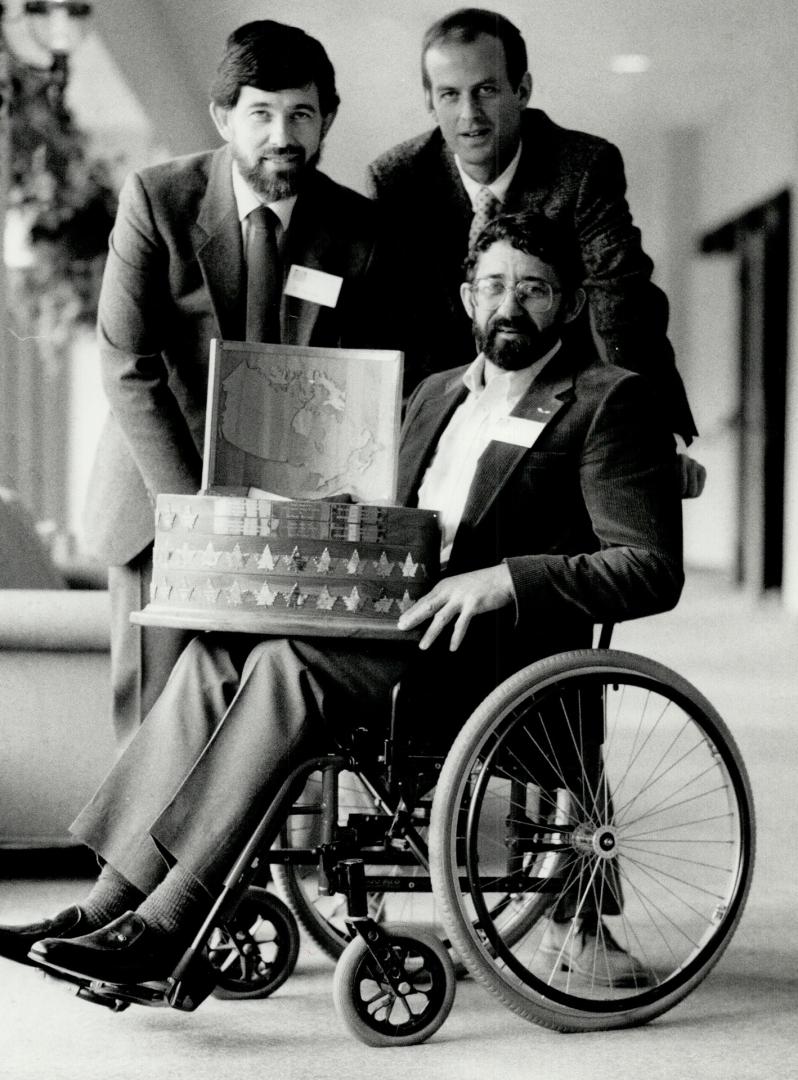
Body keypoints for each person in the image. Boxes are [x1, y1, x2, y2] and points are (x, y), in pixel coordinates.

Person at [0, 212, 683, 987]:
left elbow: (650, 566)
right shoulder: (434, 394)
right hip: (386, 631)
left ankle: (171, 920)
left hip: (491, 665)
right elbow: (385, 515)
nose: (510, 305)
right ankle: (108, 902)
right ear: (467, 297)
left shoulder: (608, 402)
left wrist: (506, 579)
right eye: (494, 285)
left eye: (533, 289)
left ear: (566, 304)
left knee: (288, 666)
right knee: (216, 654)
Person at [85, 20, 385, 749]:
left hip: (290, 520)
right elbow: (128, 362)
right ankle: (140, 866)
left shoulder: (356, 229)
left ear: (326, 122)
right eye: (261, 113)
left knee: (264, 729)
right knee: (156, 729)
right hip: (162, 508)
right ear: (224, 118)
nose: (282, 135)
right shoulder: (159, 200)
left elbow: (362, 379)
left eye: (302, 114)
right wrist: (197, 514)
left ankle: (241, 867)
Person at [368, 6, 705, 498]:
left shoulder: (584, 165)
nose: (470, 116)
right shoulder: (397, 181)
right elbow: (392, 325)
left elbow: (623, 300)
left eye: (486, 90)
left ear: (522, 90)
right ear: (429, 101)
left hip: (561, 401)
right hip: (447, 404)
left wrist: (651, 435)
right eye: (449, 95)